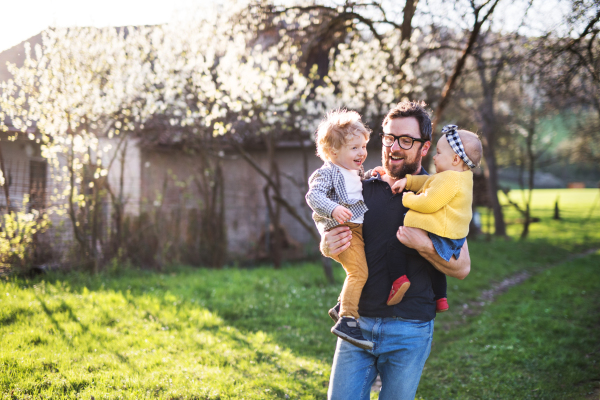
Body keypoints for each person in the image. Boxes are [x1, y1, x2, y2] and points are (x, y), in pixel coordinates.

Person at [320, 101, 471, 400]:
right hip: (357, 325)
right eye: (389, 138)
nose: (394, 148)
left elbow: (462, 267)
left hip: (409, 330)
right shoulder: (359, 186)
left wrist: (424, 245)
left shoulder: (437, 192)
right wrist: (326, 244)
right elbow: (330, 225)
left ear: (424, 147)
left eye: (405, 140)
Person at [381, 124, 482, 313]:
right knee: (433, 265)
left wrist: (408, 198)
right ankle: (441, 297)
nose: (434, 157)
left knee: (395, 246)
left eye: (439, 152)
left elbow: (429, 202)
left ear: (454, 159)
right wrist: (409, 181)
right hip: (450, 234)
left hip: (440, 232)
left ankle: (399, 280)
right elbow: (429, 182)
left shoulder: (449, 179)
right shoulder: (459, 177)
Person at [306, 109, 374, 350]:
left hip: (356, 229)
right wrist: (333, 209)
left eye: (363, 146)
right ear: (334, 151)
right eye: (354, 147)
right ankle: (347, 320)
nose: (362, 152)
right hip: (343, 232)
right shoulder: (326, 172)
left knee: (363, 269)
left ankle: (342, 305)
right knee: (358, 273)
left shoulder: (354, 171)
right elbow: (313, 196)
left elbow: (359, 190)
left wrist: (372, 176)